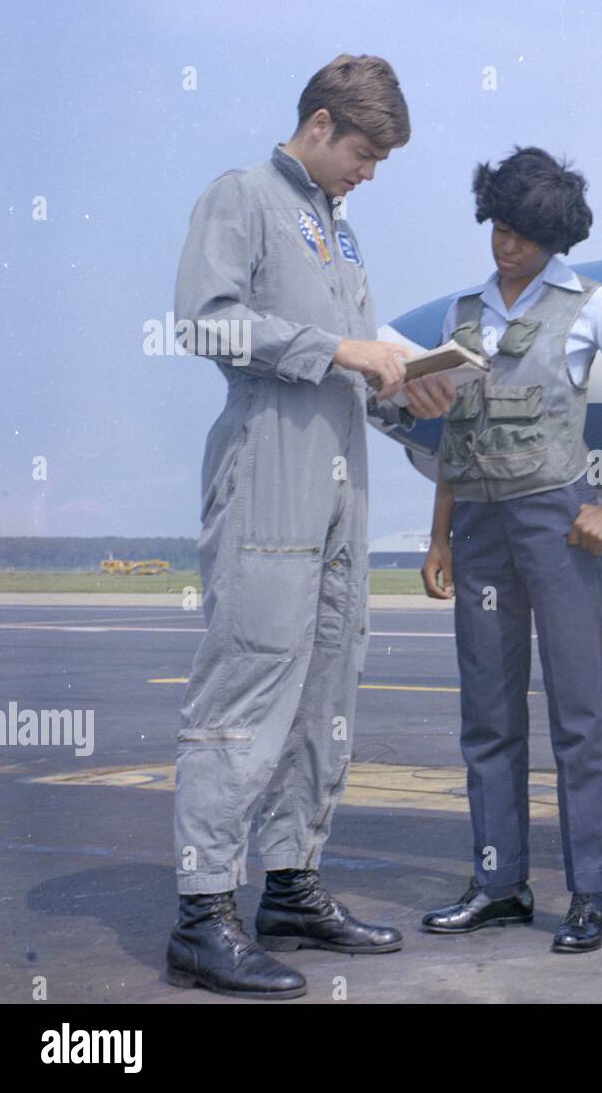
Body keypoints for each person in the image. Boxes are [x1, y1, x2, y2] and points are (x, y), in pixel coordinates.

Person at [167, 55, 420, 999]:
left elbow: (356, 361)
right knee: (246, 690)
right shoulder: (242, 198)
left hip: (341, 495)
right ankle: (202, 913)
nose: (369, 171)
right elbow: (206, 322)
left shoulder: (340, 233)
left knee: (325, 690)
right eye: (362, 152)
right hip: (269, 477)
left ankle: (291, 884)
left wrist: (404, 382)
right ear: (318, 125)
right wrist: (333, 348)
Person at [409, 146, 602, 953]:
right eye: (498, 224)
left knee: (579, 717)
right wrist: (438, 536)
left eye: (525, 232)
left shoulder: (594, 306)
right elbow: (456, 433)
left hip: (556, 527)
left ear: (554, 236)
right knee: (486, 718)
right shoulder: (463, 313)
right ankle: (499, 883)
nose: (507, 244)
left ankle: (591, 892)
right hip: (480, 534)